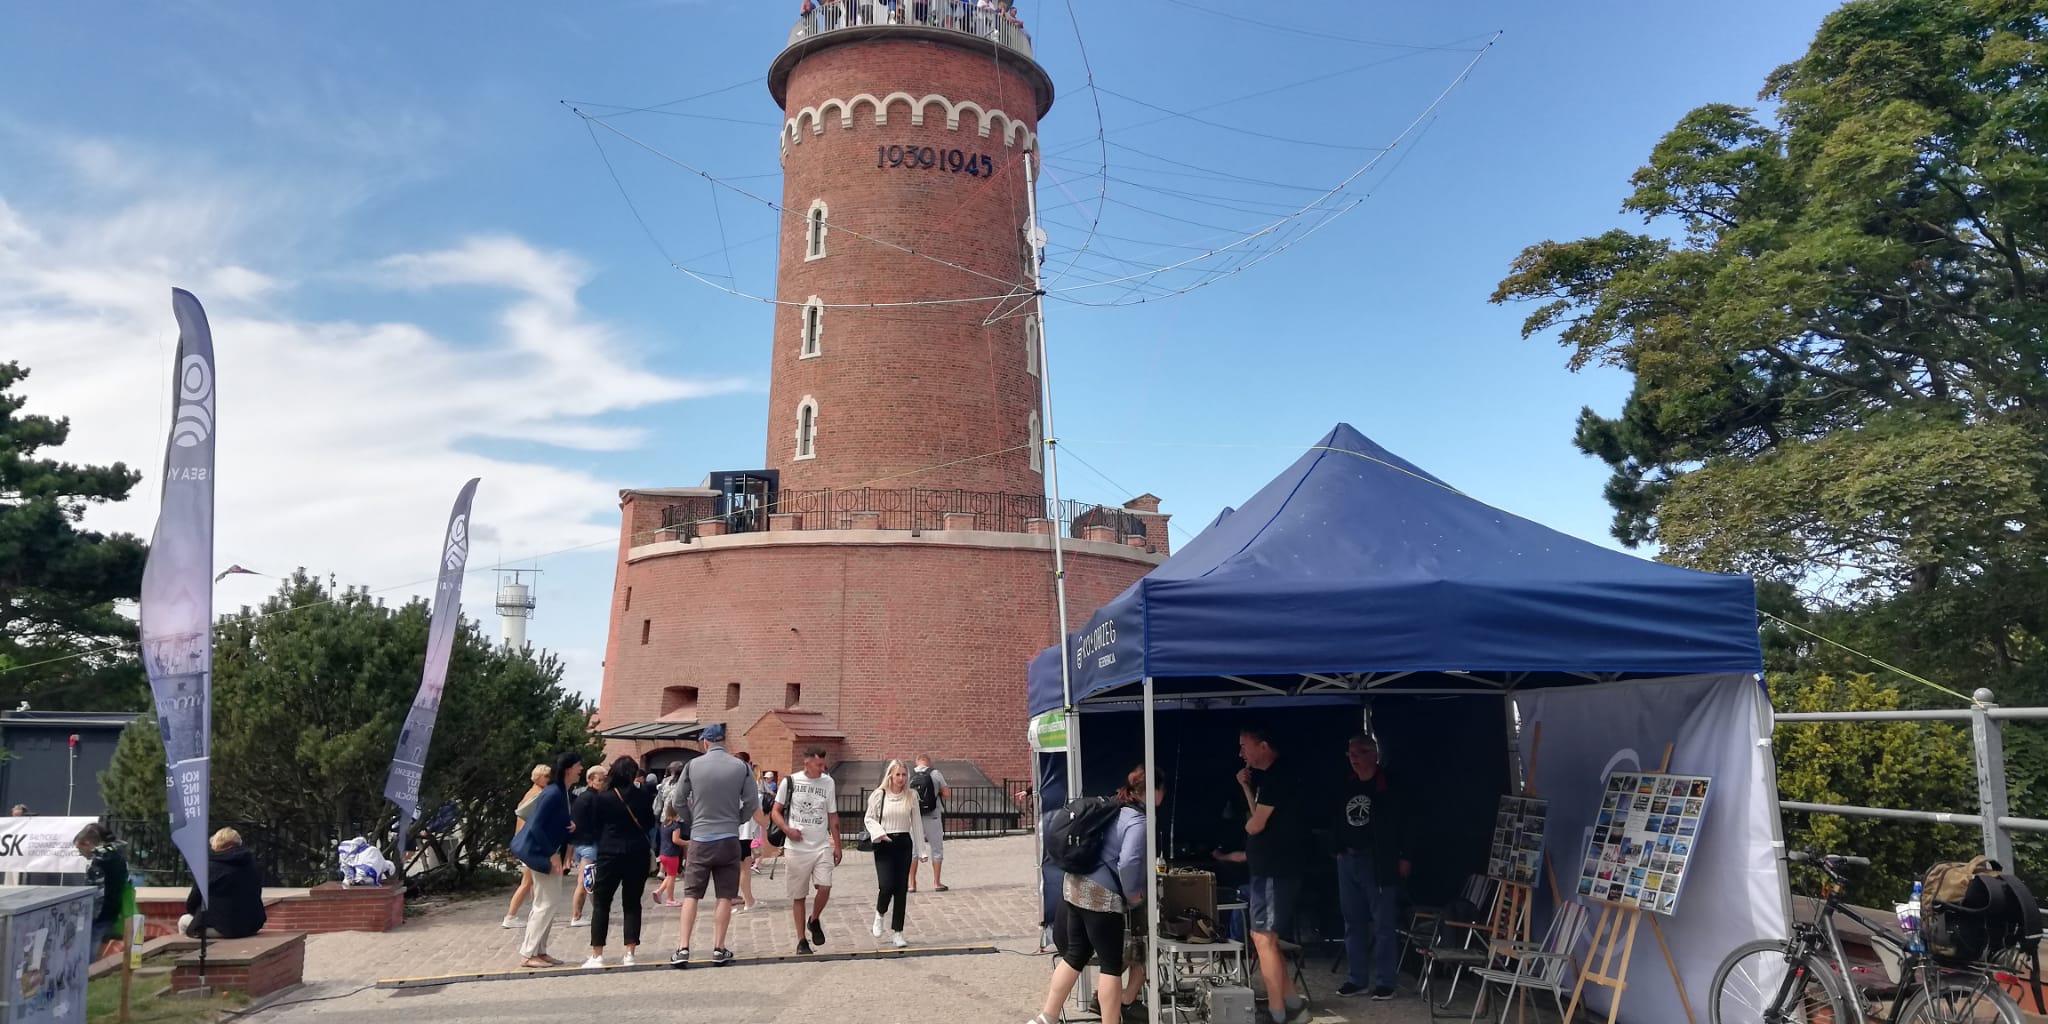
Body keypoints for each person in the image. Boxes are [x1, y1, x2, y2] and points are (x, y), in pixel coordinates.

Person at [1025, 766, 1156, 1024]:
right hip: (1100, 897)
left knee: (1076, 954)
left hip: (1073, 886)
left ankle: (1047, 1017)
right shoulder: (1137, 820)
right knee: (1111, 965)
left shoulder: (1112, 806)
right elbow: (1129, 863)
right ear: (1153, 792)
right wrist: (1133, 896)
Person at [1237, 726, 1310, 1024]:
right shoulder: (1269, 779)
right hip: (1268, 868)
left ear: (1264, 746)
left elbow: (1256, 824)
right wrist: (1246, 788)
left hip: (1275, 869)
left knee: (1263, 937)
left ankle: (1277, 1012)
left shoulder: (1280, 776)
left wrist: (1248, 826)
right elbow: (1258, 814)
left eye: (1244, 746)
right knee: (1266, 937)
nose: (1241, 753)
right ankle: (1293, 1004)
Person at [670, 724, 756, 968]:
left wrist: (692, 820)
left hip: (700, 837)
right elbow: (751, 802)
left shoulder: (693, 765)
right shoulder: (740, 767)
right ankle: (719, 948)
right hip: (728, 837)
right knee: (725, 896)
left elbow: (678, 800)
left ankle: (683, 948)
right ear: (724, 741)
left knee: (691, 894)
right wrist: (737, 819)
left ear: (705, 742)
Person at [1335, 733, 1408, 1000]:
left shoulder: (1389, 784)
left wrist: (1405, 856)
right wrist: (1337, 848)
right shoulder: (1347, 784)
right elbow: (1336, 817)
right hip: (1348, 859)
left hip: (1378, 861)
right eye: (1350, 754)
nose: (1353, 759)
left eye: (1358, 753)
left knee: (1383, 923)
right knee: (1352, 921)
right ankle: (1357, 979)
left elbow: (1406, 822)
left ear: (1373, 754)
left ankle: (1386, 981)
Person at [574, 755, 657, 968]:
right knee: (632, 902)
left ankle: (597, 954)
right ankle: (630, 952)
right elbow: (650, 823)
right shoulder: (643, 795)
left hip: (609, 852)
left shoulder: (603, 797)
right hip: (637, 851)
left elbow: (594, 825)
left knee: (602, 902)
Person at [511, 750, 583, 969]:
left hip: (546, 853)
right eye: (578, 766)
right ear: (569, 769)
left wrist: (569, 827)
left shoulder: (560, 792)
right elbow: (536, 826)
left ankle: (539, 950)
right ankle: (528, 953)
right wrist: (552, 854)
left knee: (547, 903)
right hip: (541, 854)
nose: (581, 769)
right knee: (545, 904)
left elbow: (552, 821)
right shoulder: (554, 793)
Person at [772, 745, 842, 955]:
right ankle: (801, 940)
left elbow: (833, 815)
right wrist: (787, 829)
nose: (822, 768)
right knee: (799, 895)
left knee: (825, 886)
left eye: (823, 764)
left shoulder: (828, 782)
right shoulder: (790, 782)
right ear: (807, 763)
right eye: (818, 764)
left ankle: (814, 919)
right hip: (796, 848)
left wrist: (837, 844)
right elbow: (776, 811)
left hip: (821, 845)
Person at [863, 760, 930, 948]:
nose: (901, 778)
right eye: (898, 774)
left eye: (904, 774)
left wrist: (922, 850)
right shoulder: (879, 795)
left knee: (901, 889)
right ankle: (879, 913)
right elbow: (869, 818)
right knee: (886, 885)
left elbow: (916, 823)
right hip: (884, 843)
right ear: (890, 775)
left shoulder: (911, 796)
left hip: (903, 843)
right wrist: (879, 833)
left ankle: (898, 932)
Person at [178, 828, 266, 939]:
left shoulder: (209, 868)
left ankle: (189, 949)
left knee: (184, 921)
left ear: (216, 844)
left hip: (224, 928)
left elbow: (193, 901)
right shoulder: (252, 866)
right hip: (251, 926)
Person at [503, 763, 551, 929]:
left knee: (531, 883)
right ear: (538, 778)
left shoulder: (531, 793)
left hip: (525, 842)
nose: (549, 779)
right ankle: (510, 916)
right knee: (527, 882)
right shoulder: (536, 795)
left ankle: (533, 912)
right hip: (529, 844)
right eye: (546, 776)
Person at [73, 823, 133, 953]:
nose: (80, 854)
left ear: (87, 844)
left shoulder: (101, 859)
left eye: (79, 849)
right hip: (113, 910)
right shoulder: (116, 853)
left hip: (99, 914)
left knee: (88, 953)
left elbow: (94, 889)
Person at [567, 763, 609, 928]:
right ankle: (576, 916)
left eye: (604, 780)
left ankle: (598, 913)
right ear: (590, 780)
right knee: (585, 882)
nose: (603, 783)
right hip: (588, 845)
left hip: (582, 844)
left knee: (591, 882)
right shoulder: (593, 799)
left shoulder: (583, 797)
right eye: (600, 780)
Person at [908, 753, 951, 893]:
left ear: (917, 762)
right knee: (936, 849)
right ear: (929, 762)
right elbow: (947, 794)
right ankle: (937, 883)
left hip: (915, 817)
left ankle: (912, 884)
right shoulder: (935, 773)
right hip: (933, 815)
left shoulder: (909, 774)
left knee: (913, 851)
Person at [655, 804, 686, 907]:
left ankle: (659, 891)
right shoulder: (675, 826)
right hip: (672, 854)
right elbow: (675, 840)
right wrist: (688, 843)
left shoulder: (664, 824)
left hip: (663, 853)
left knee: (669, 875)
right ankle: (670, 899)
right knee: (672, 876)